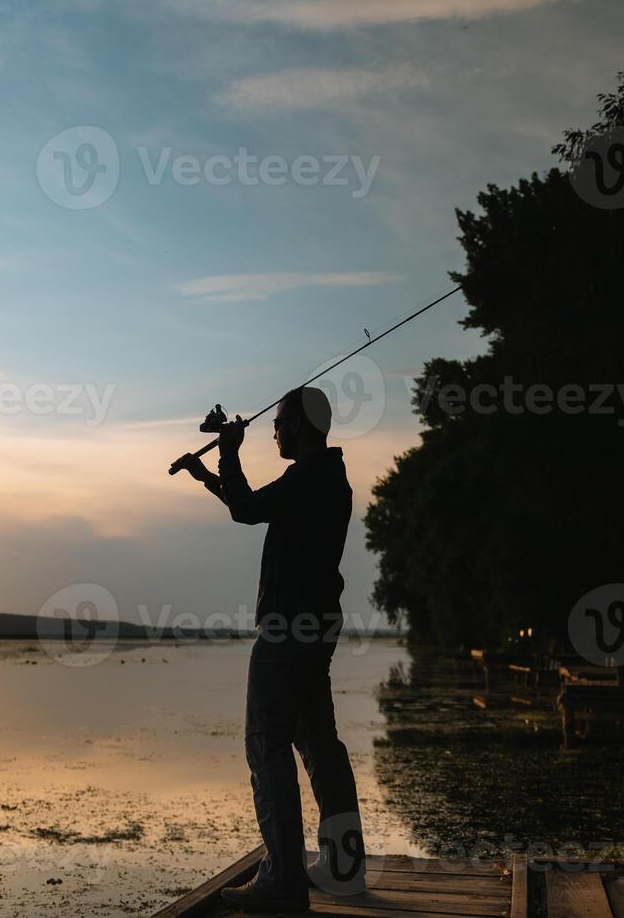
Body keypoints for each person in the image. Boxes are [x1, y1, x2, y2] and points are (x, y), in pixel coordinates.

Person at [175, 386, 368, 912]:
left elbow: (248, 510)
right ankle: (344, 869)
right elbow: (252, 505)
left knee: (266, 744)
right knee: (319, 743)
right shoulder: (327, 478)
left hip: (287, 632)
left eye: (279, 423)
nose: (275, 431)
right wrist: (211, 475)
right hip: (315, 629)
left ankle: (284, 880)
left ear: (301, 426)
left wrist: (230, 451)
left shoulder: (309, 478)